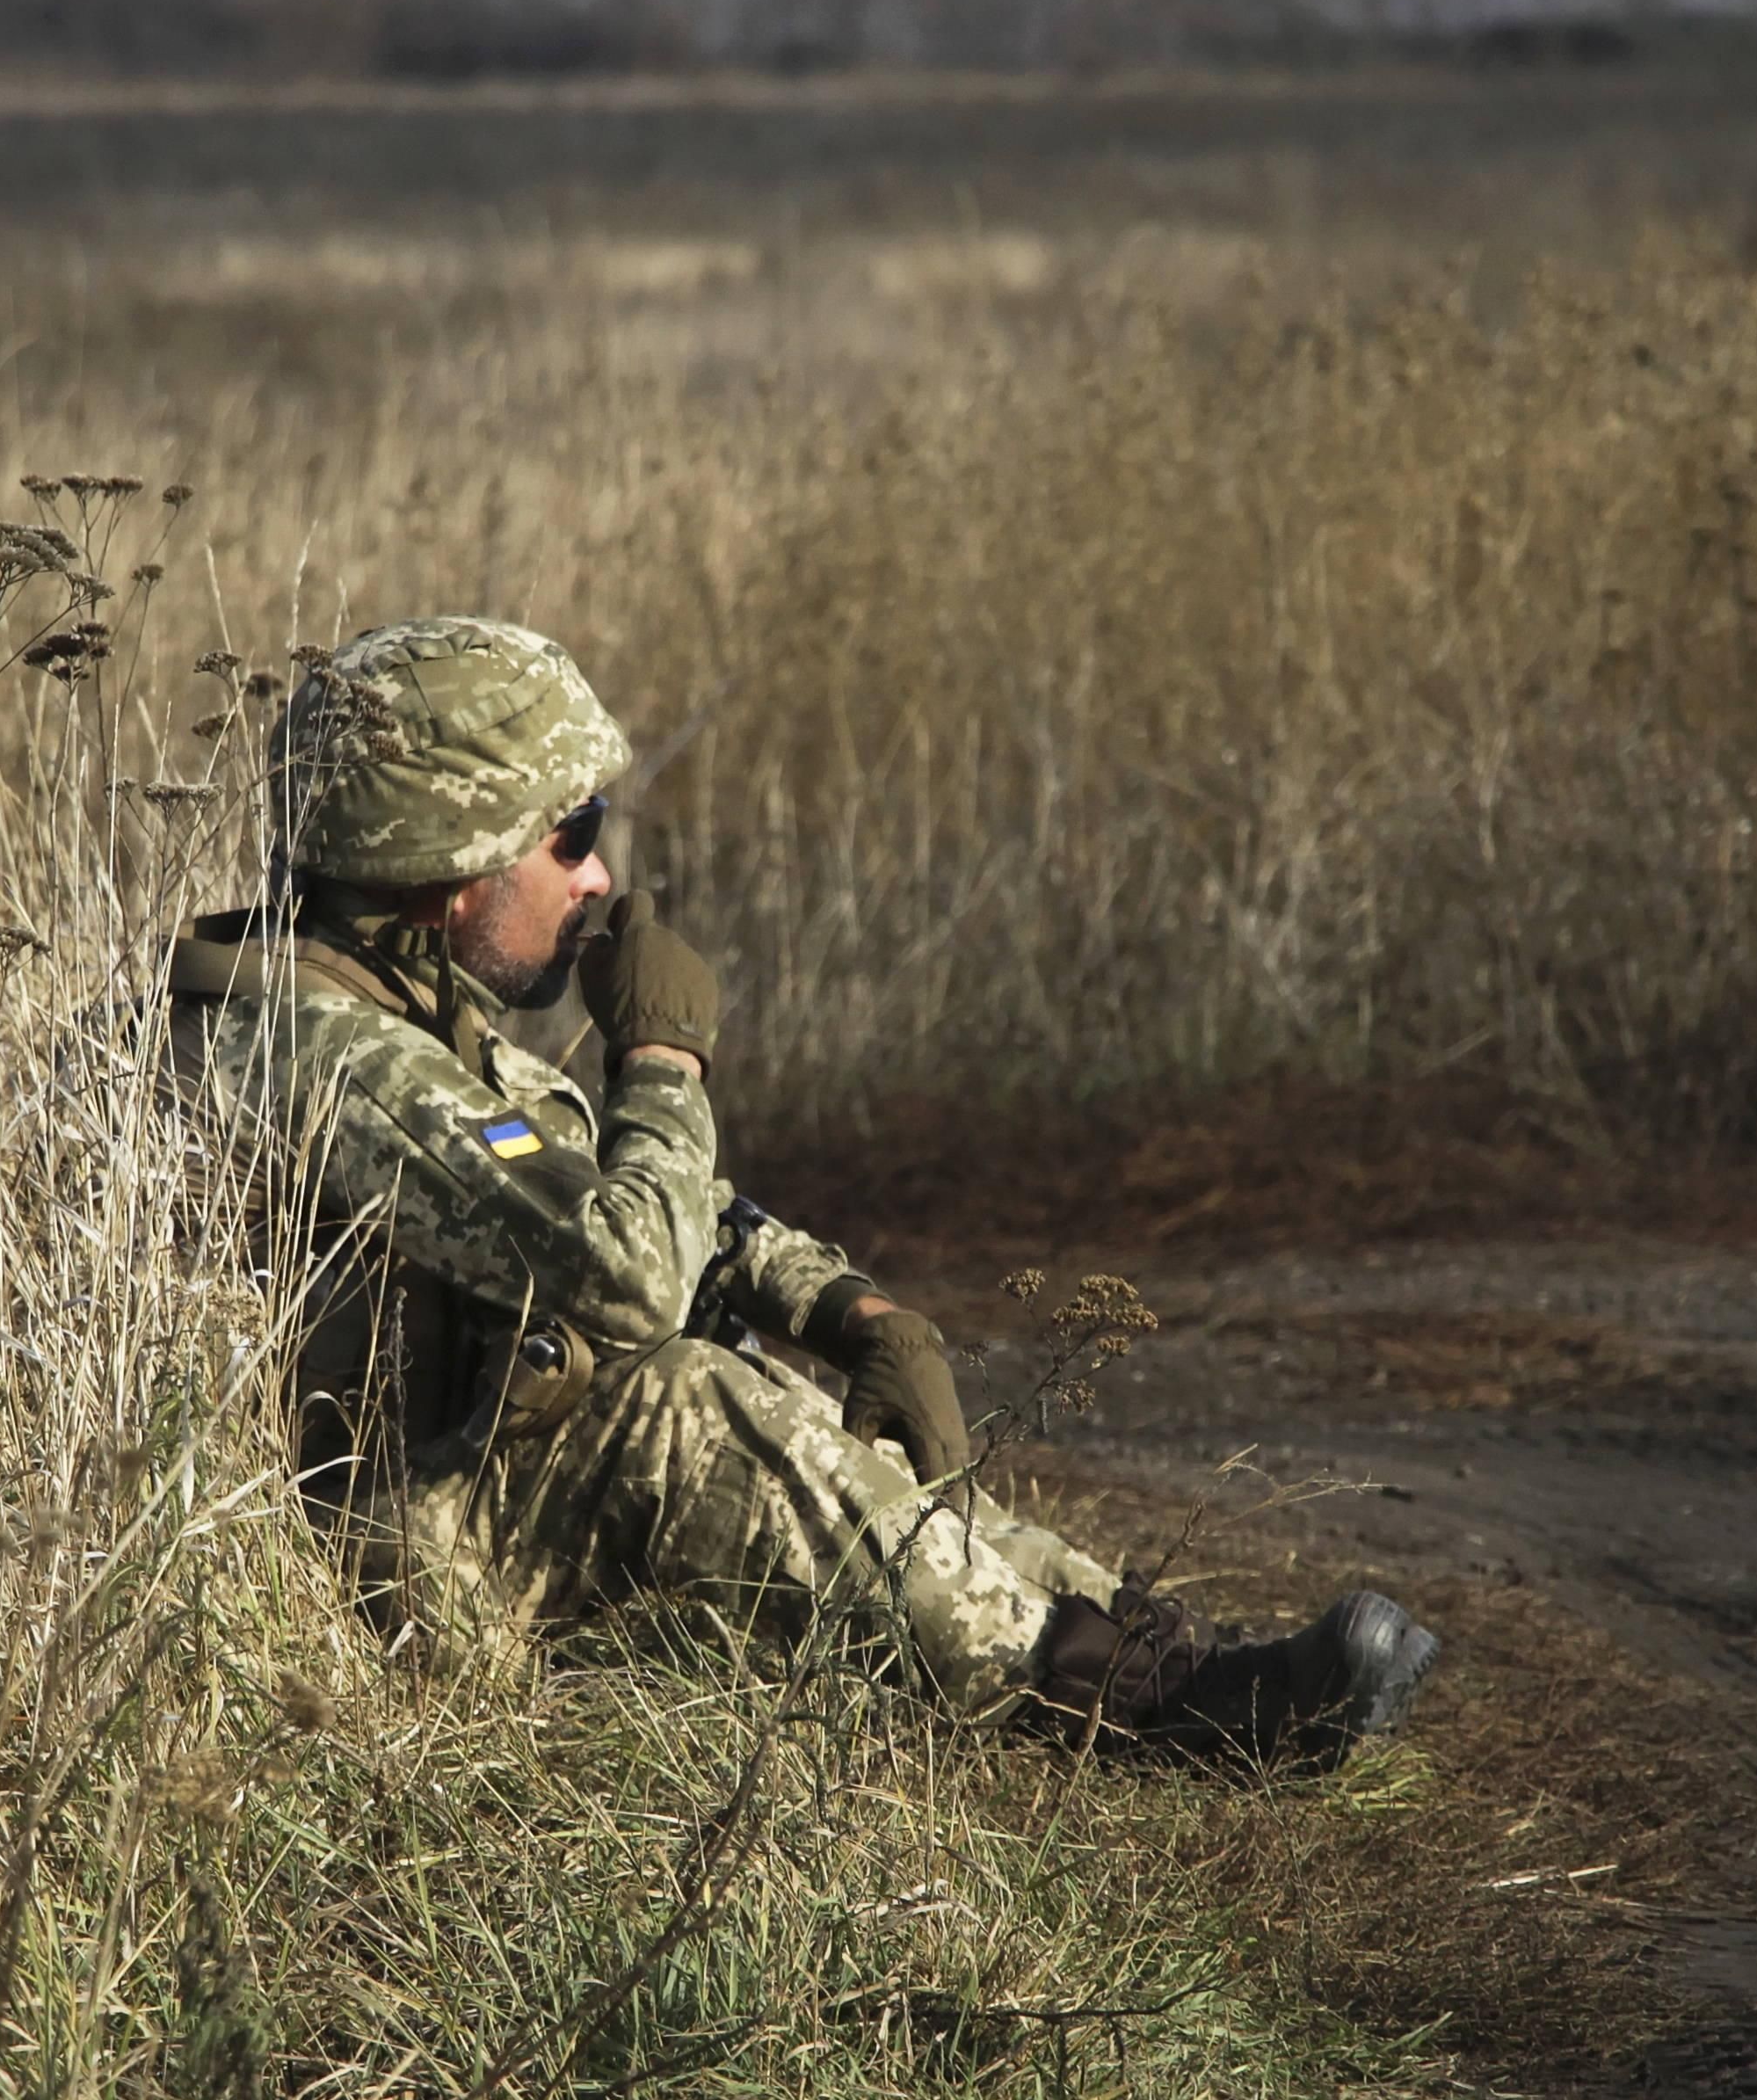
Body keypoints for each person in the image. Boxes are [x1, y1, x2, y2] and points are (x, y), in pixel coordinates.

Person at [158, 615, 1437, 1765]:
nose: (597, 877)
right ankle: (1125, 1707)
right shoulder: (311, 1055)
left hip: (452, 1495)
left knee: (758, 1374)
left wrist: (846, 1311)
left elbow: (617, 1200)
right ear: (452, 864)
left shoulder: (402, 1010)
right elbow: (623, 1276)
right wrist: (659, 1063)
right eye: (572, 835)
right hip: (375, 1571)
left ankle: (1150, 1653)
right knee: (681, 1395)